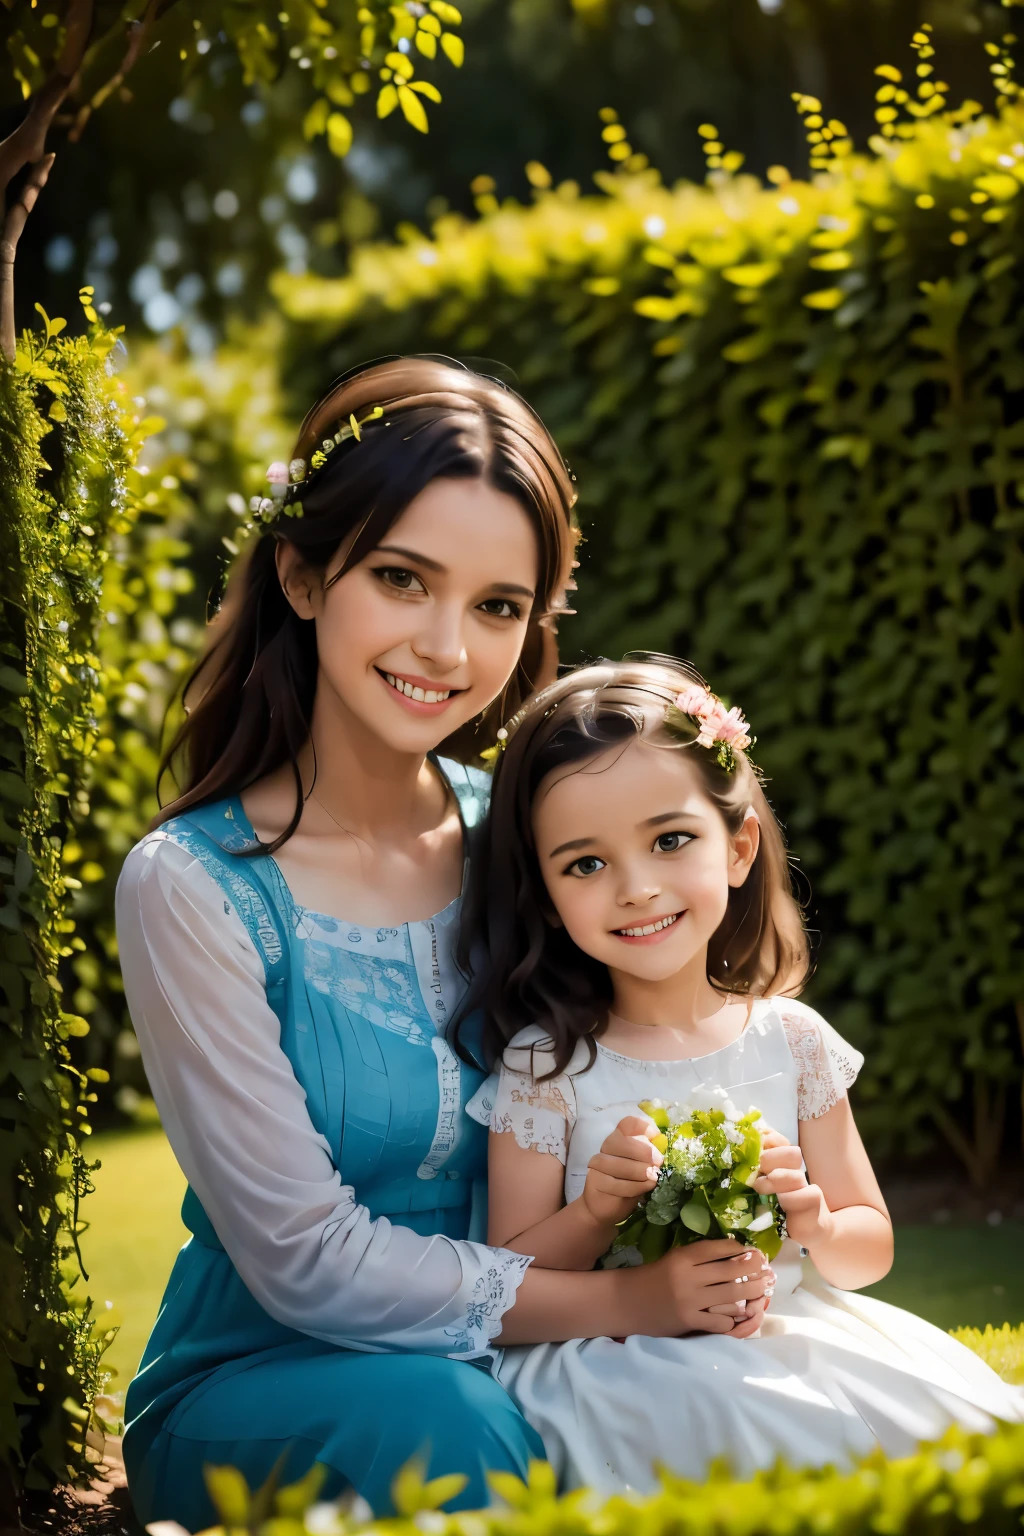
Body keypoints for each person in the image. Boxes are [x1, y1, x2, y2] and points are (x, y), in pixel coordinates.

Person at [114, 362, 774, 1532]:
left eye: (496, 606)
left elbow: (658, 1041)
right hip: (267, 1377)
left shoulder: (532, 840)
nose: (445, 646)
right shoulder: (191, 888)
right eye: (402, 579)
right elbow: (304, 1261)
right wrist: (621, 1298)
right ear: (304, 575)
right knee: (456, 1428)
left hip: (541, 1347)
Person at [463, 653, 1024, 1493]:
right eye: (585, 864)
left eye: (670, 840)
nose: (637, 888)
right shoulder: (547, 1065)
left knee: (955, 1429)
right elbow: (507, 1282)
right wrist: (594, 1211)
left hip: (785, 1325)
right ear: (544, 895)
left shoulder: (791, 1040)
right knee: (732, 1417)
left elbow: (869, 1246)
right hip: (613, 1355)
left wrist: (815, 1221)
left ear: (738, 846)